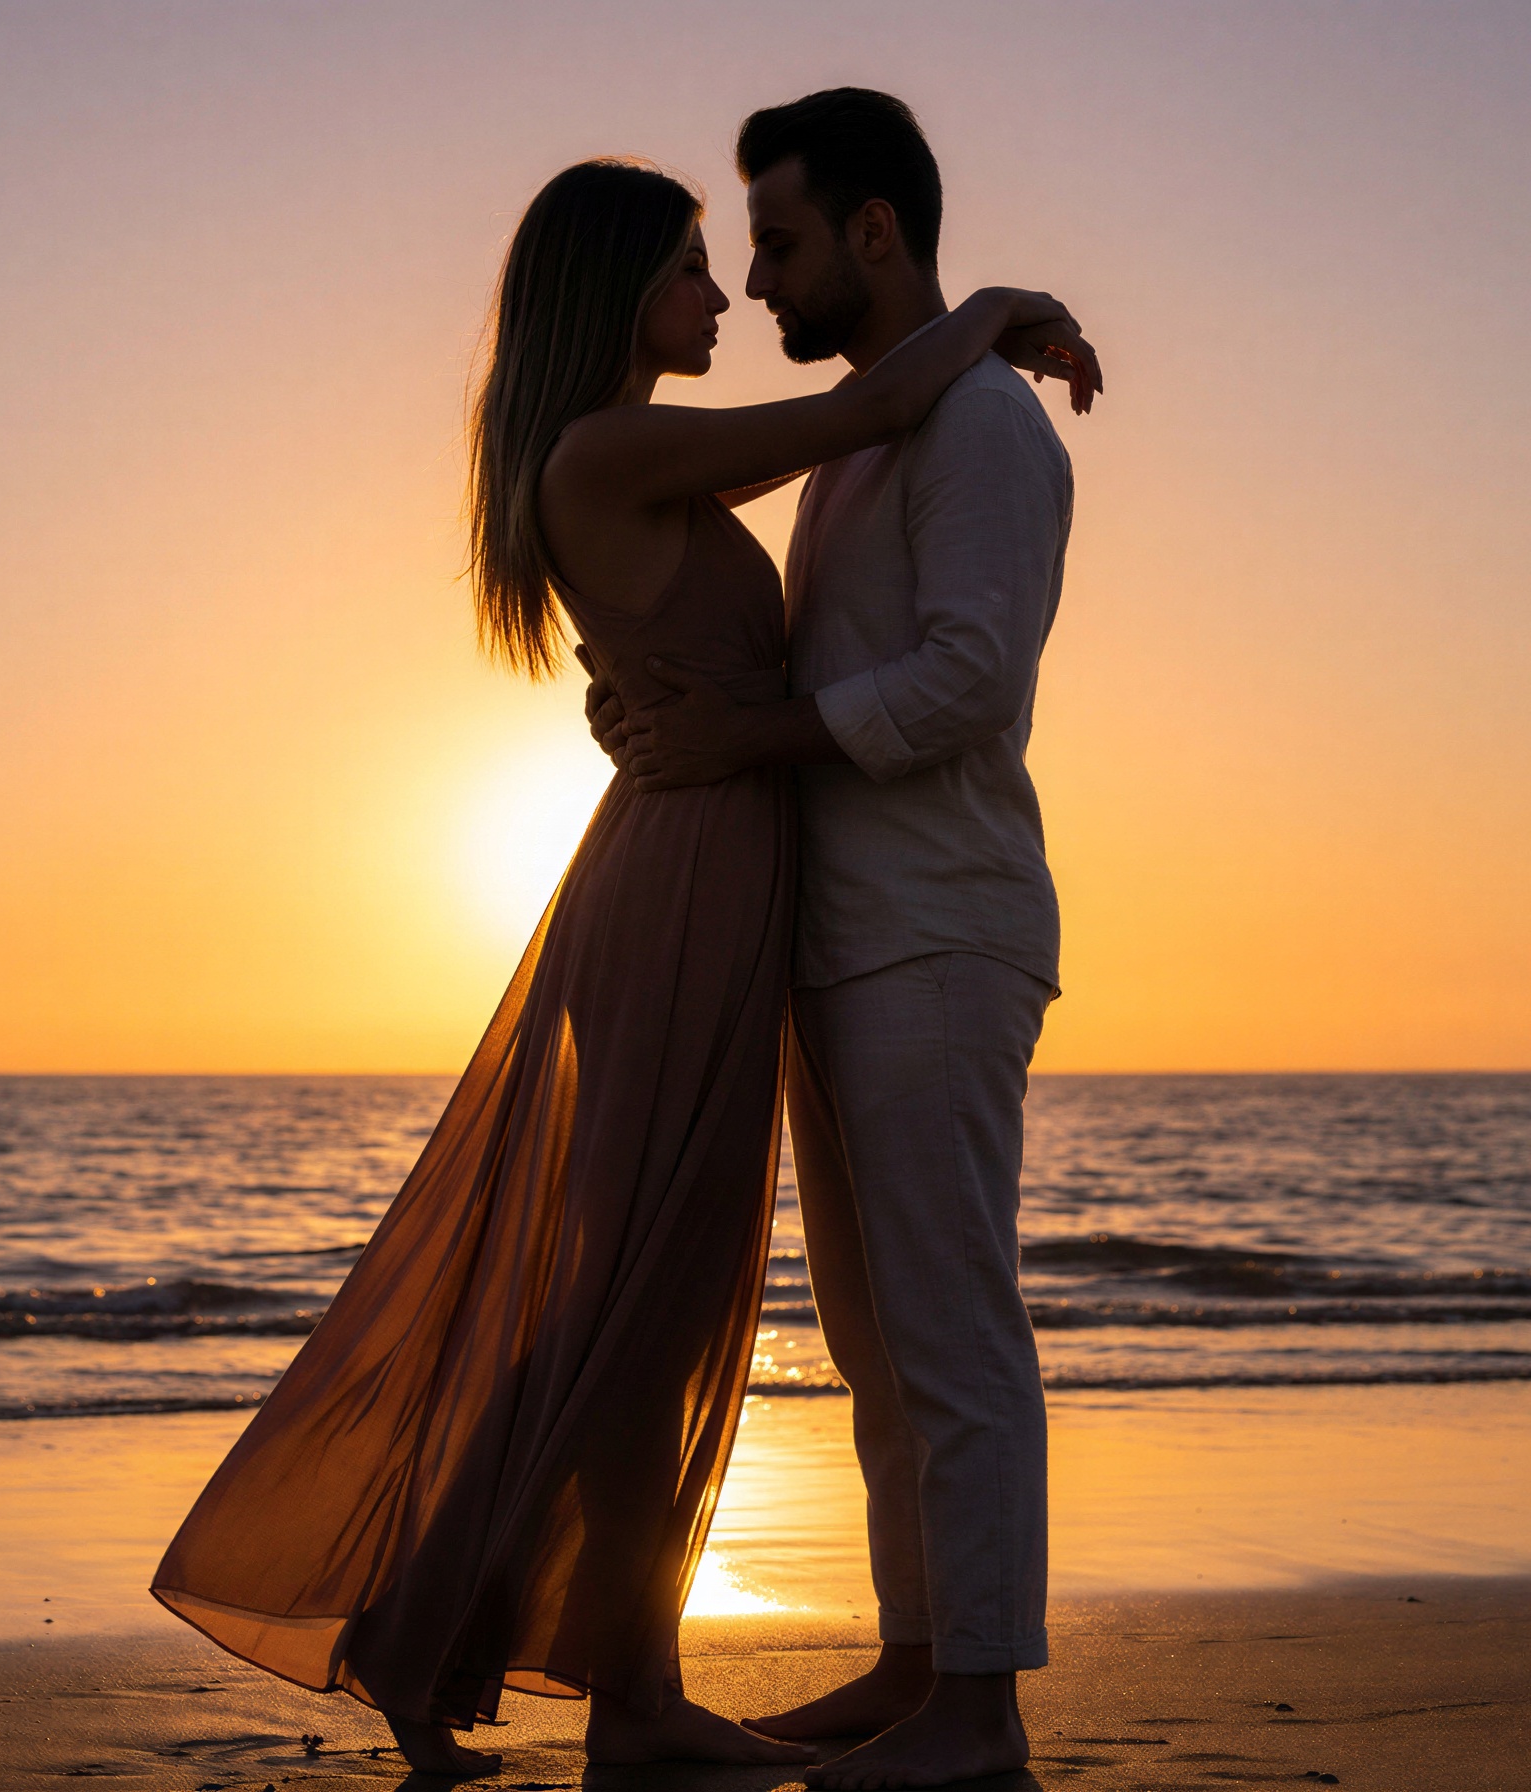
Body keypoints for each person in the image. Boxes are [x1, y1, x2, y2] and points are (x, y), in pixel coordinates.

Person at [153, 155, 1097, 1779]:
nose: (724, 295)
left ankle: (627, 1691)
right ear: (611, 293)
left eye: (746, 255)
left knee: (645, 1297)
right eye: (688, 268)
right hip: (680, 902)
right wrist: (999, 306)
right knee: (626, 1296)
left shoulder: (641, 462)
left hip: (738, 898)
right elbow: (855, 420)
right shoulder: (621, 448)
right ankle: (484, 1650)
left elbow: (797, 591)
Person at [588, 90, 1086, 1790]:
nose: (761, 281)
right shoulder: (878, 436)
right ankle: (915, 1663)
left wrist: (747, 743)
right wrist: (664, 705)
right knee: (878, 1349)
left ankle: (984, 1712)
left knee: (953, 1332)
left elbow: (967, 682)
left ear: (877, 232)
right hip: (839, 939)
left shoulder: (986, 436)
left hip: (942, 937)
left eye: (783, 243)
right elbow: (807, 672)